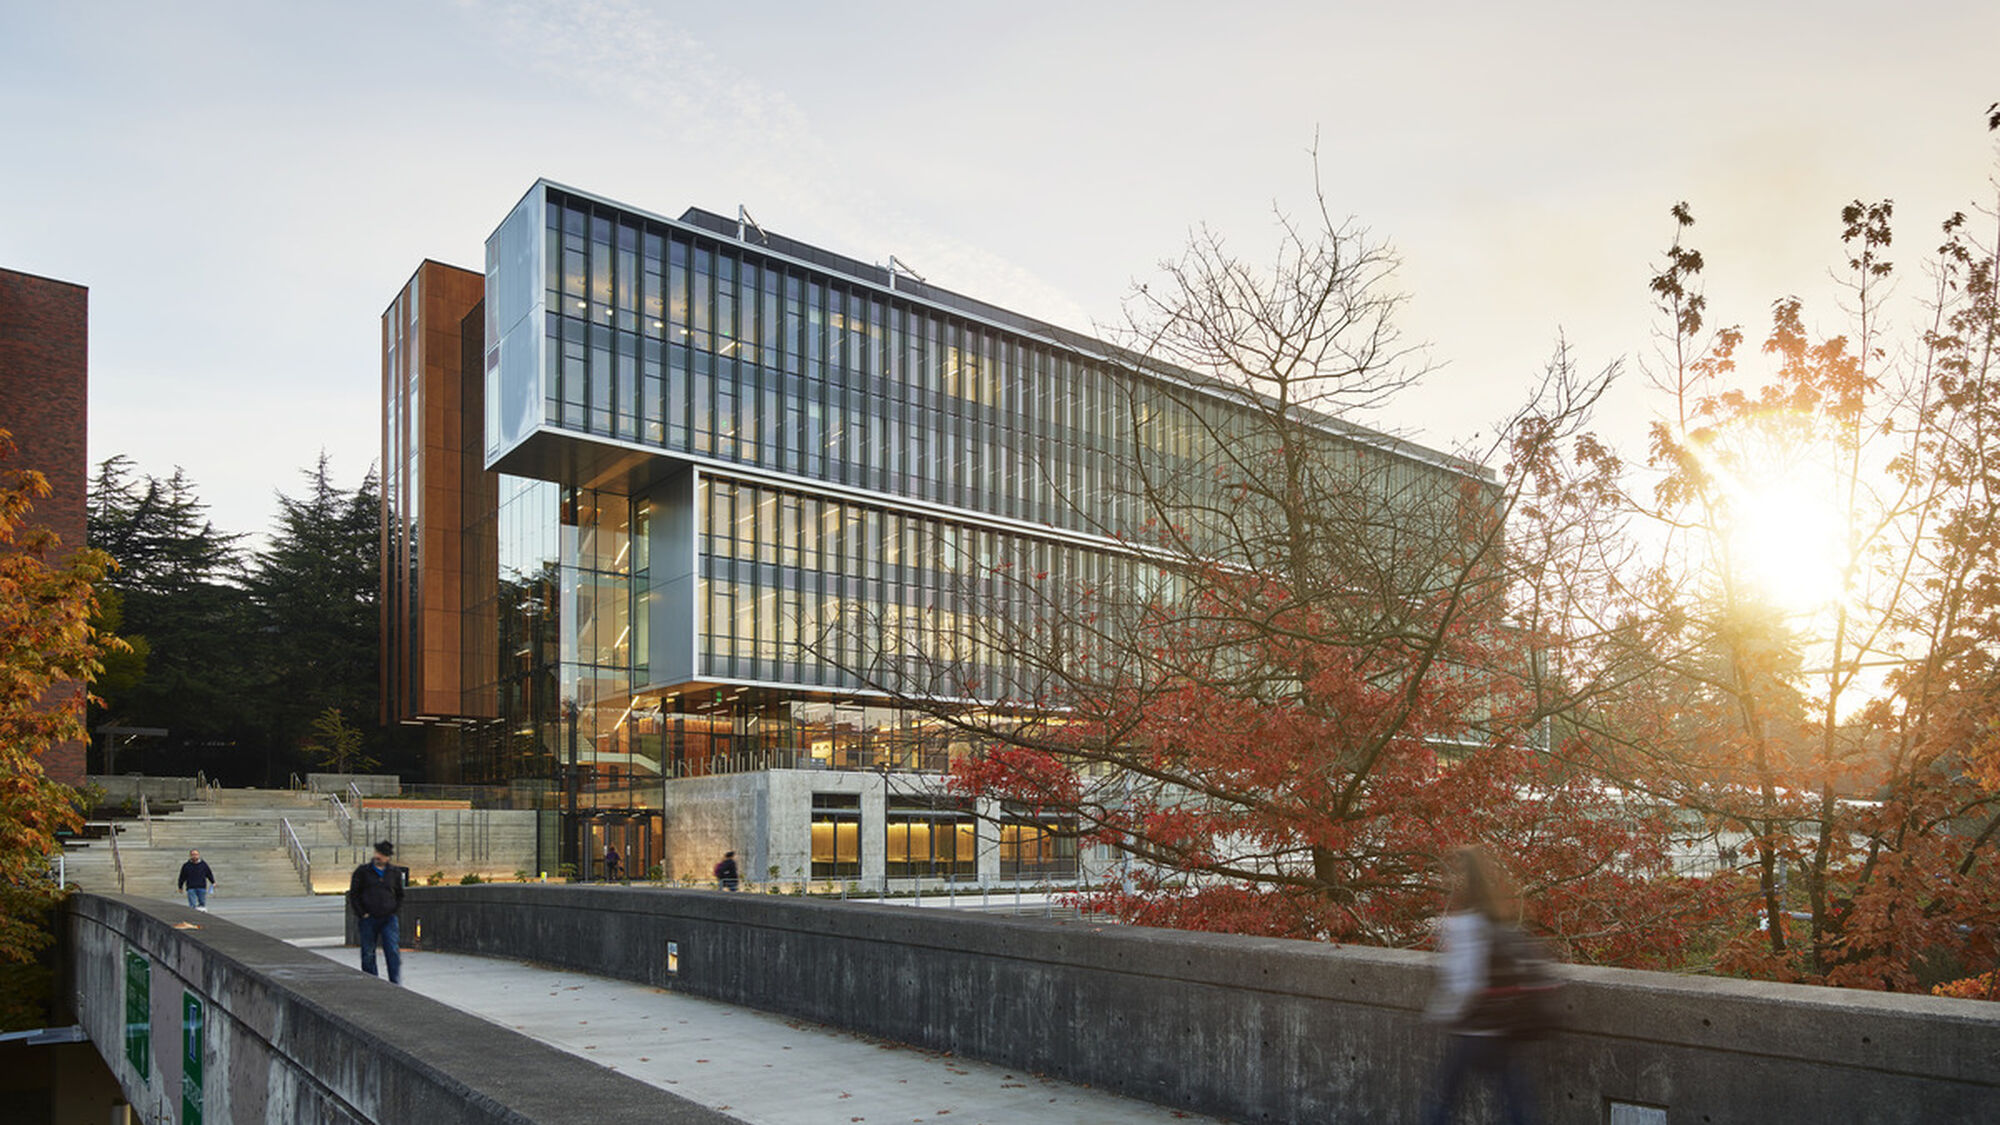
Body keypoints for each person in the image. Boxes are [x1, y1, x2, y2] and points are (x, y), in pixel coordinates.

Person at [1422, 845, 1543, 1125]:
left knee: (1442, 1099)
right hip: (1504, 1025)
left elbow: (1464, 982)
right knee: (1516, 1101)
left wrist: (1440, 1012)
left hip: (1476, 1029)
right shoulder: (1499, 919)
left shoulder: (1463, 925)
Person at [347, 839, 406, 984]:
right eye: (377, 853)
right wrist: (362, 913)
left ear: (388, 857)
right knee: (368, 952)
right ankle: (372, 982)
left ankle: (395, 982)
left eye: (382, 854)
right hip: (368, 918)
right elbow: (354, 894)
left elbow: (400, 894)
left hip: (388, 918)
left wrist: (394, 910)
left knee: (392, 950)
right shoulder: (362, 872)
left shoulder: (394, 873)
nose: (378, 856)